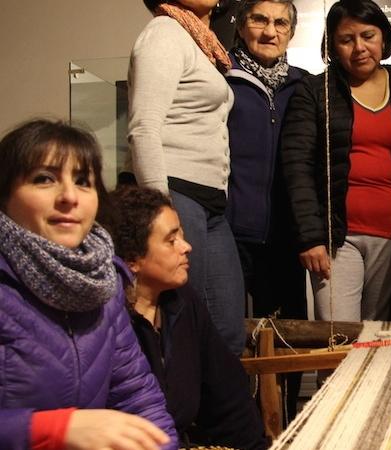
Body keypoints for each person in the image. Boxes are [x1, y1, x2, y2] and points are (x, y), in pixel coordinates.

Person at [0, 119, 176, 450]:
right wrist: (51, 429)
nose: (69, 196)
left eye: (83, 181)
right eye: (44, 179)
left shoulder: (102, 281)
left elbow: (137, 395)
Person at [280, 0, 391, 323]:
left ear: (383, 38)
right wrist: (310, 236)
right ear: (332, 46)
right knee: (337, 336)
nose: (359, 48)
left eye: (368, 36)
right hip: (336, 239)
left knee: (376, 337)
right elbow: (296, 166)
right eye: (346, 39)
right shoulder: (315, 91)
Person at [105, 186, 266, 449]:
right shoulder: (108, 321)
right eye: (171, 240)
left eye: (181, 234)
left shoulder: (182, 302)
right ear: (133, 260)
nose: (187, 247)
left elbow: (227, 397)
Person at [128, 0, 246, 354]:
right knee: (178, 329)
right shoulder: (164, 33)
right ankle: (174, 409)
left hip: (210, 203)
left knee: (226, 334)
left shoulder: (201, 42)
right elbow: (143, 128)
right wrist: (161, 213)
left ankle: (219, 410)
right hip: (177, 193)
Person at [226, 0, 308, 319]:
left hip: (286, 235)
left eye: (281, 23)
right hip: (230, 231)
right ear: (241, 26)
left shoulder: (305, 87)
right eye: (260, 20)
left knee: (289, 335)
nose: (270, 32)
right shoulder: (219, 79)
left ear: (291, 32)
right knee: (228, 332)